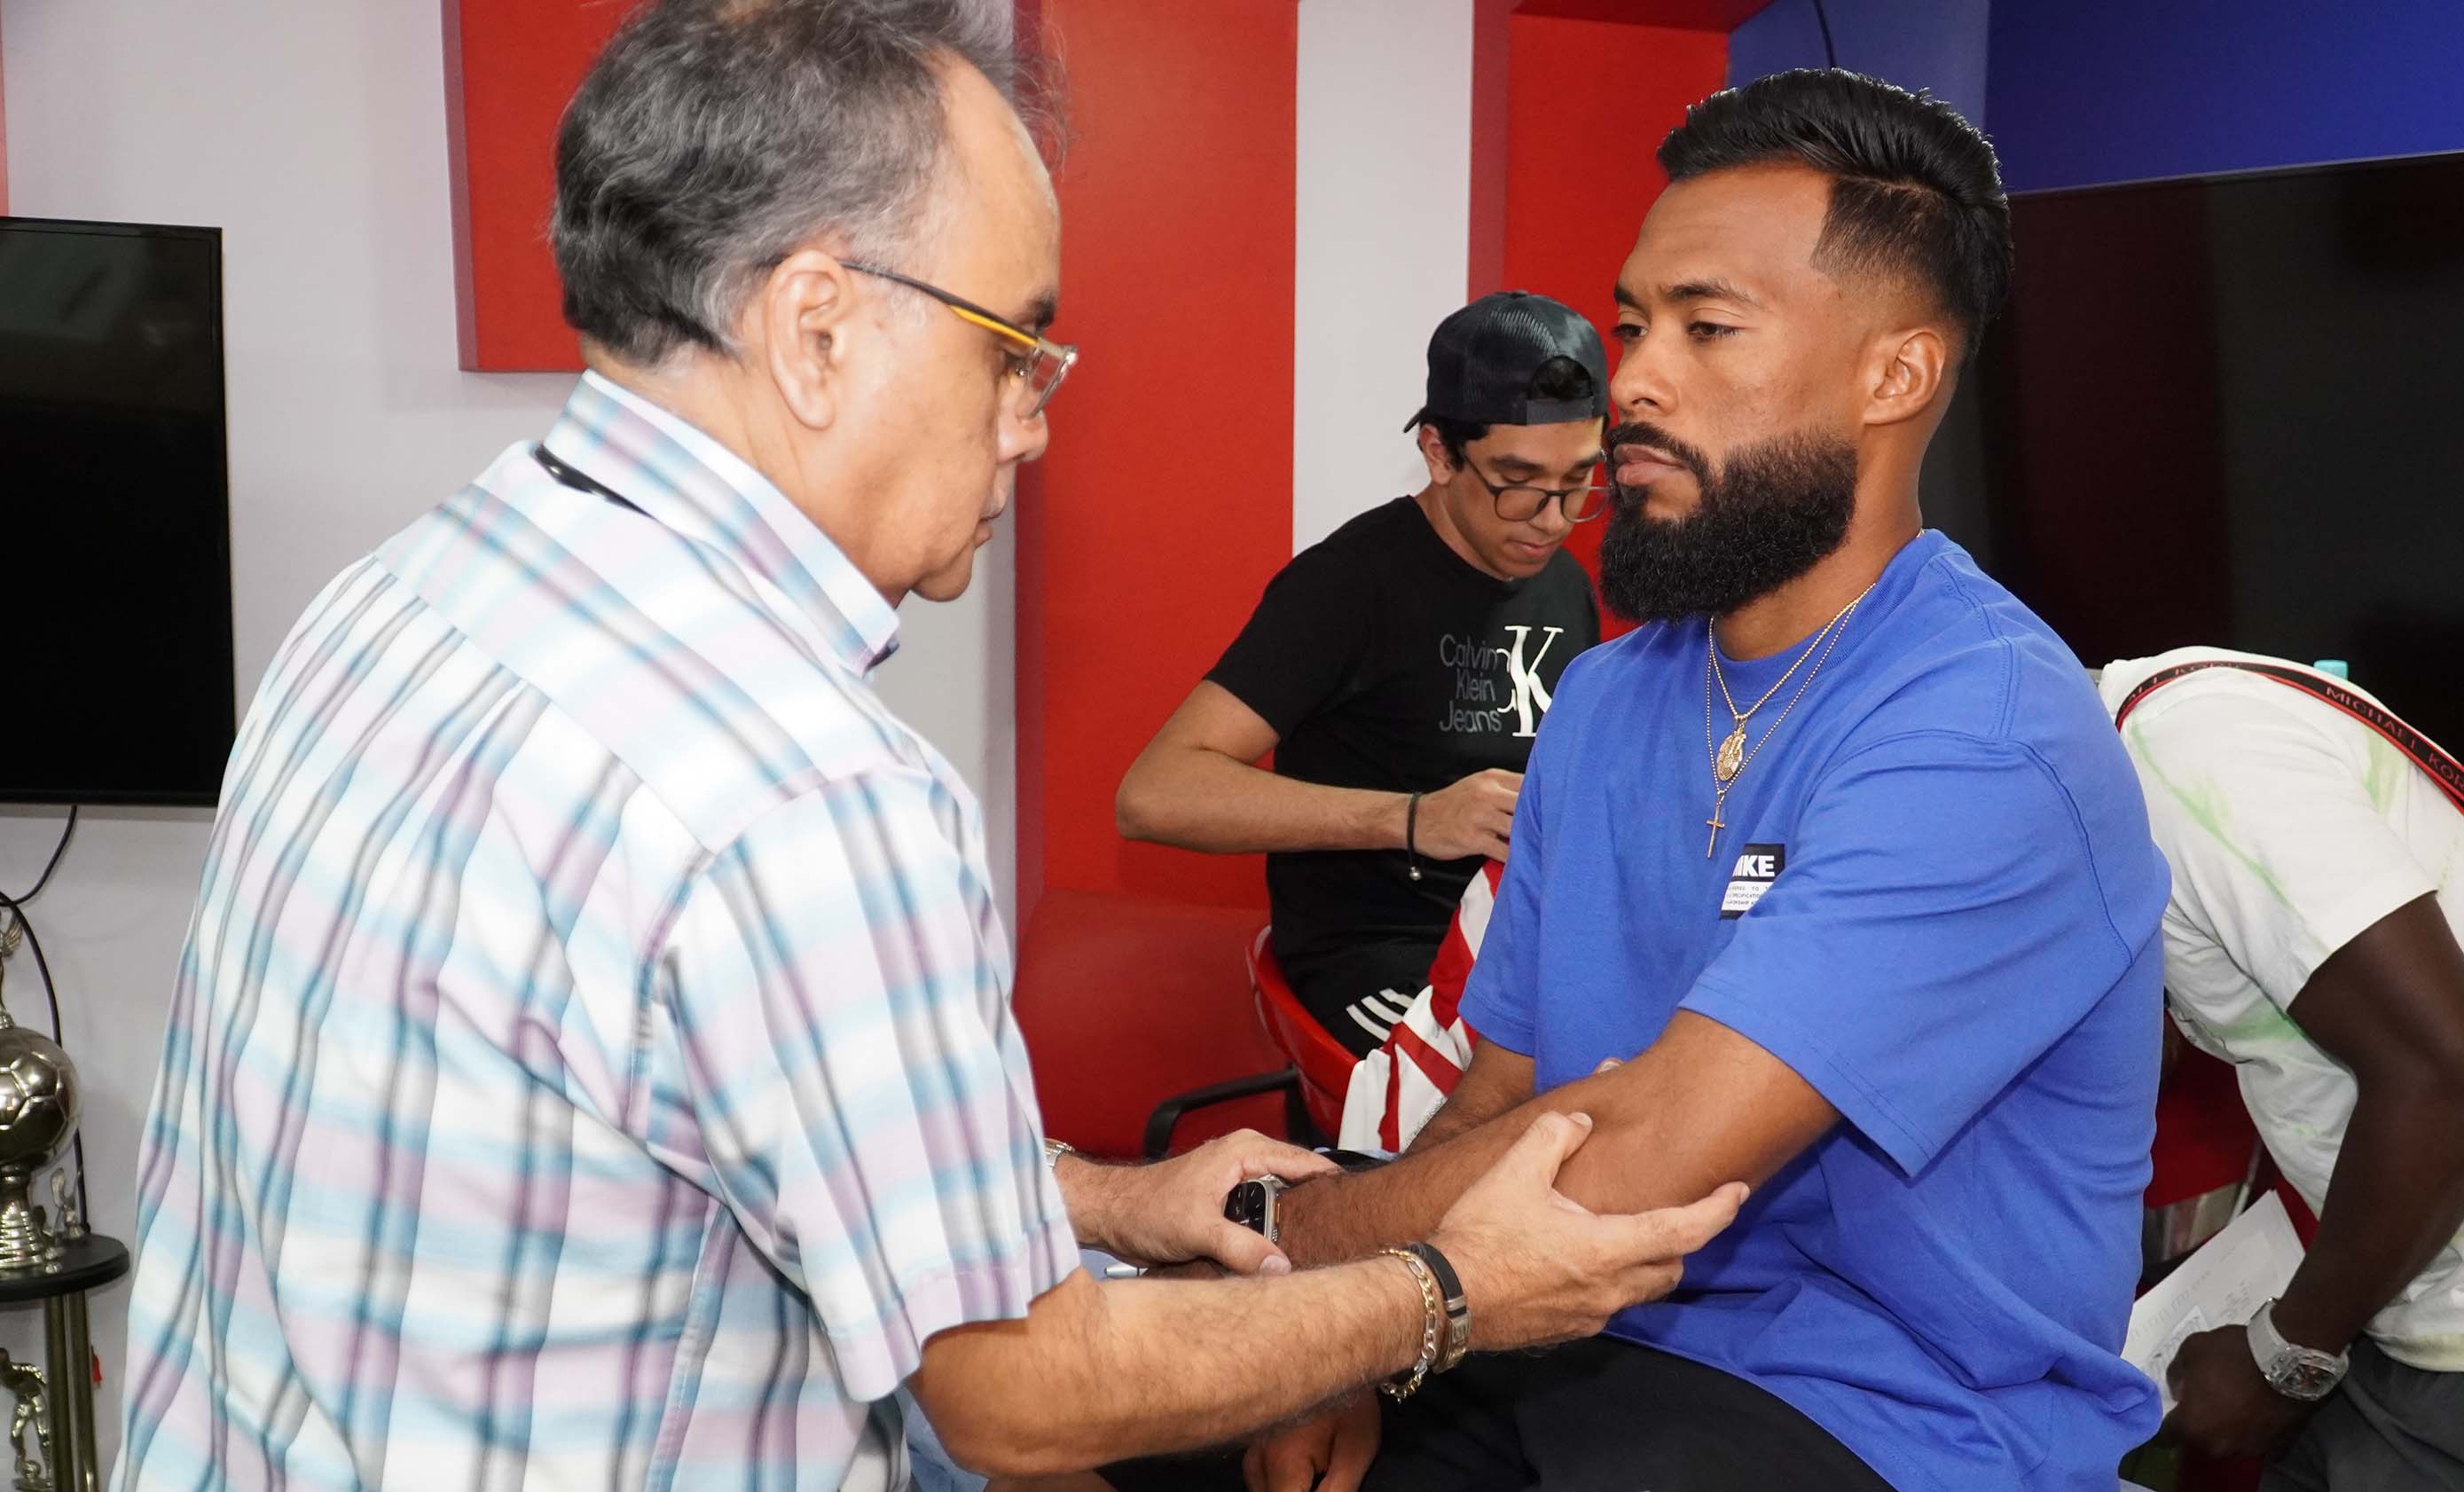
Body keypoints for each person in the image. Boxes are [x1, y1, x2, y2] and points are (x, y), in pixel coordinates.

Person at [106, 5, 1747, 1489]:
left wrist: (1100, 1196)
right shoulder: (805, 790)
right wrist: (1453, 1291)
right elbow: (1022, 1392)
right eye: (1010, 346)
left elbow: (678, 1117)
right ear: (817, 326)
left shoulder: (395, 599)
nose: (1033, 416)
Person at [1106, 68, 2170, 1492]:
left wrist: (1288, 1272)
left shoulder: (1986, 730)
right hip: (1568, 1328)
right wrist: (1346, 1346)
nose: (1637, 384)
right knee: (1110, 1440)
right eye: (1632, 325)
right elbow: (1501, 1098)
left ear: (1896, 374)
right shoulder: (1609, 697)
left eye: (1706, 328)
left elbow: (1640, 1160)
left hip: (1883, 1408)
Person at [2101, 646, 2464, 1490]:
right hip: (2437, 1287)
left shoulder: (2184, 750)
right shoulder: (2181, 715)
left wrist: (2284, 1357)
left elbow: (2454, 1084)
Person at [1116, 293, 1606, 1055]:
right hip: (1381, 956)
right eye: (1518, 482)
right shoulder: (1350, 584)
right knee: (1512, 1112)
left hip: (1509, 945)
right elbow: (1154, 796)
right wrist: (1413, 820)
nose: (1551, 518)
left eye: (1578, 482)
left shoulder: (1565, 586)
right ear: (1440, 454)